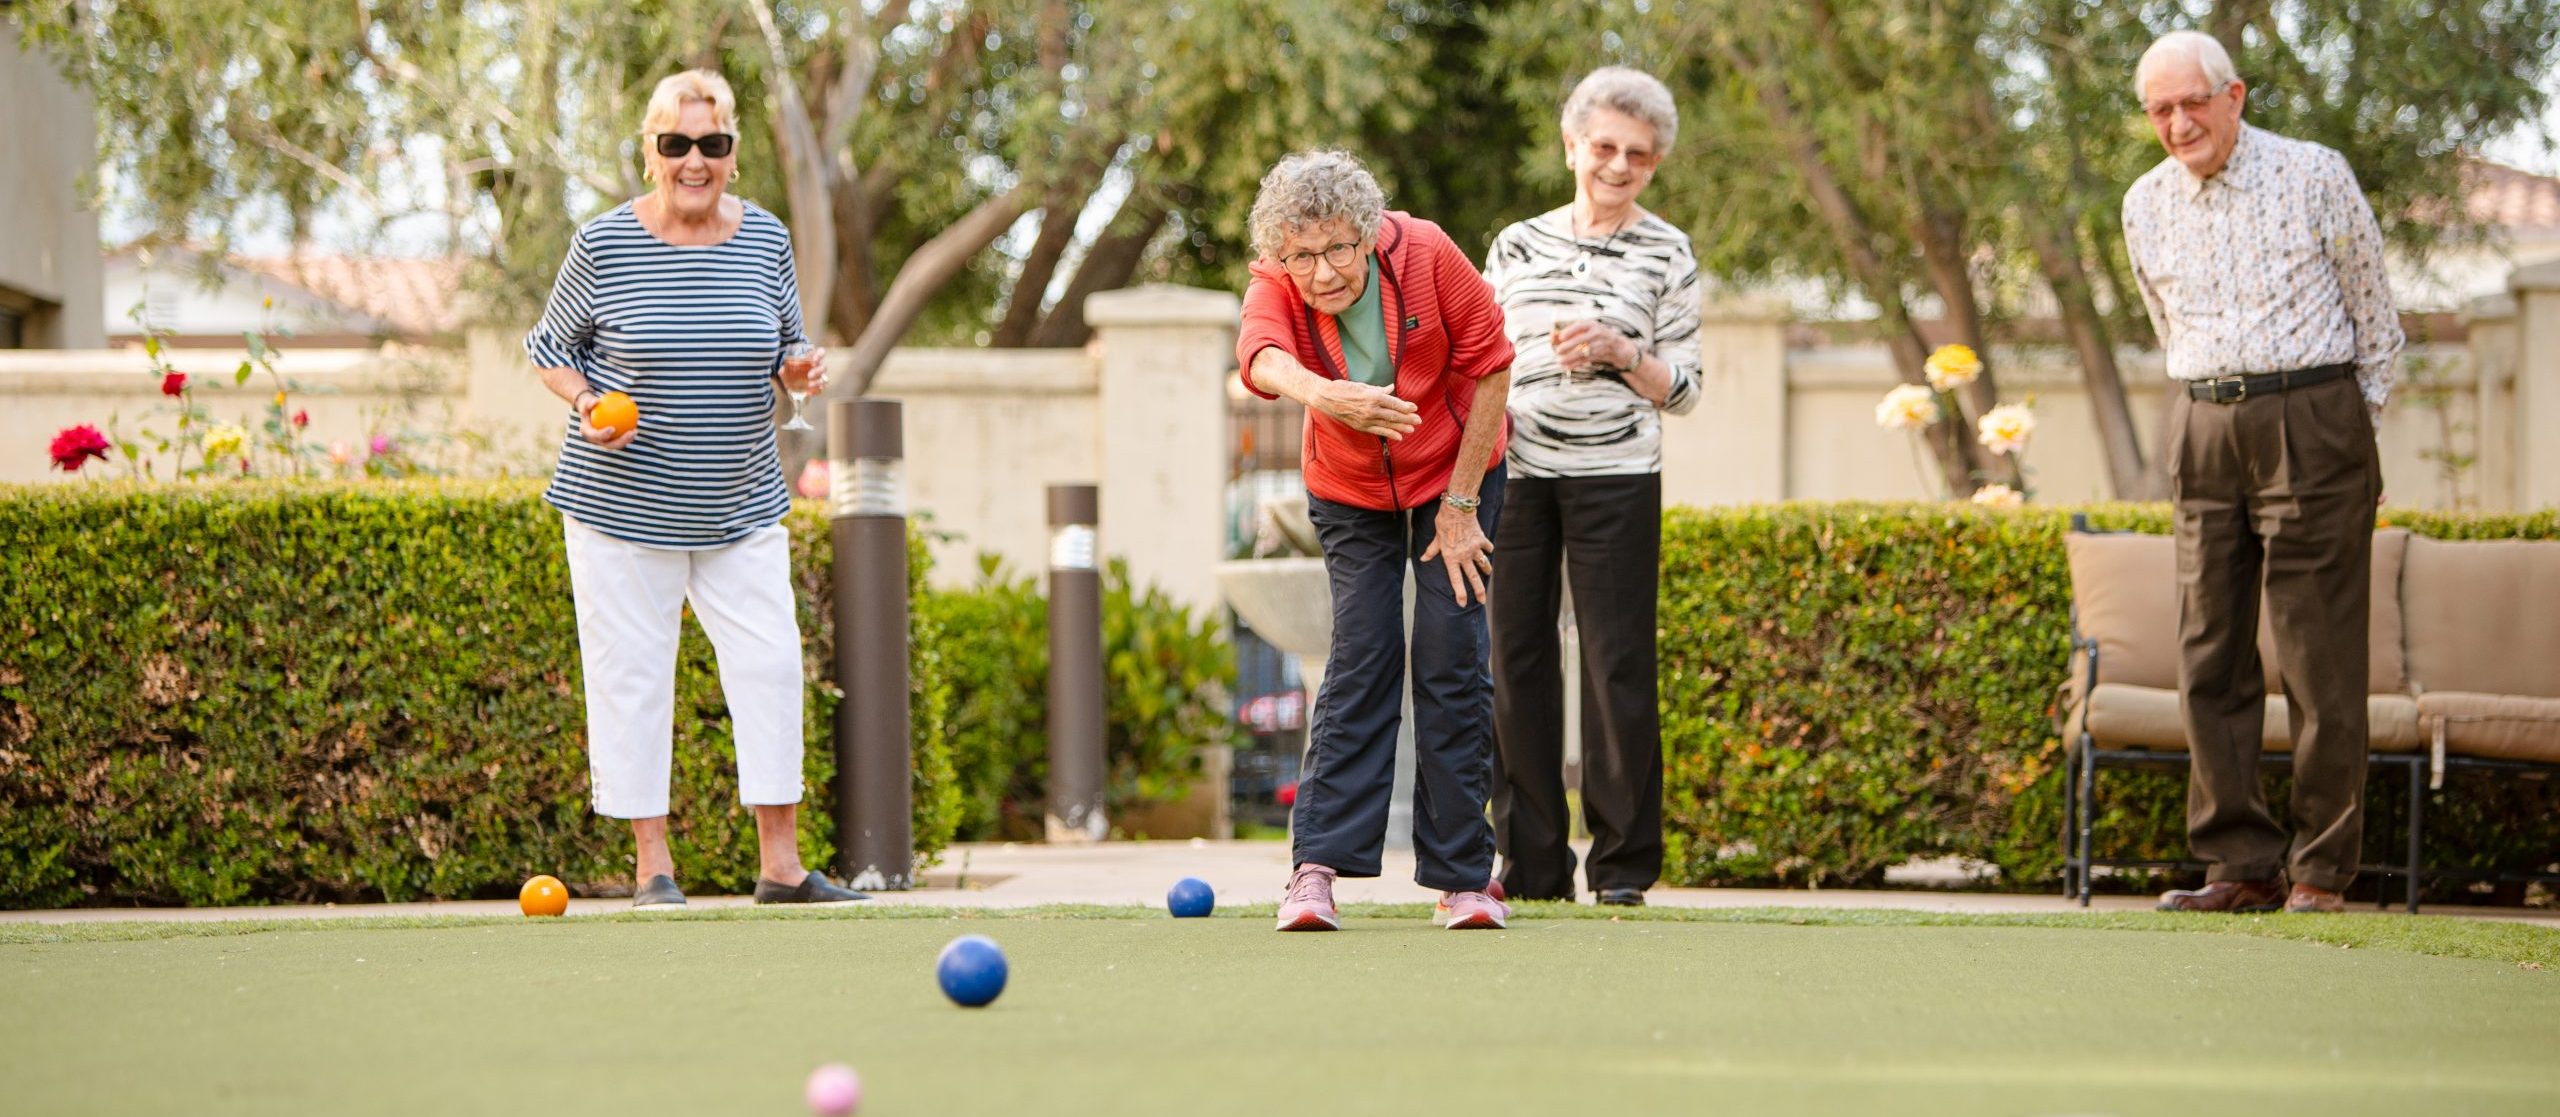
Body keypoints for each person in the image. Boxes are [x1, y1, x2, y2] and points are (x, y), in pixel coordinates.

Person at [524, 69, 868, 910]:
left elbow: (787, 347)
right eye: (676, 143)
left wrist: (798, 368)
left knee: (771, 664)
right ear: (650, 150)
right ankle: (653, 868)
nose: (693, 160)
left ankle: (781, 867)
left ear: (732, 153)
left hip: (741, 497)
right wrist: (584, 406)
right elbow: (546, 348)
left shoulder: (766, 239)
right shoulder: (604, 244)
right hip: (621, 507)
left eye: (711, 144)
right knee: (634, 676)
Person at [2121, 32, 2401, 915]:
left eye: (2191, 103)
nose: (2177, 123)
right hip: (2202, 421)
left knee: (2317, 655)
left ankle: (2321, 869)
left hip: (2313, 417)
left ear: (2234, 94)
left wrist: (2349, 434)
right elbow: (2165, 320)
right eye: (2159, 110)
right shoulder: (2143, 203)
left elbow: (2375, 319)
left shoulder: (2315, 174)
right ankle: (2238, 862)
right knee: (2208, 650)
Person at [1235, 150, 1516, 931]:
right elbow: (1259, 355)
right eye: (1301, 256)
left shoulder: (1425, 251)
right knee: (1362, 652)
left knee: (1451, 653)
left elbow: (1494, 366)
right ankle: (1314, 871)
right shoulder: (1276, 278)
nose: (1321, 272)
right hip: (1350, 485)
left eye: (1336, 249)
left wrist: (1461, 505)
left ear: (1367, 236)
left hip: (1454, 473)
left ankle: (1462, 879)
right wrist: (1327, 396)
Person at [1483, 67, 1701, 908]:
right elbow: (1482, 362)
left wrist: (1621, 351)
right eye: (1604, 146)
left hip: (1619, 475)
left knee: (1616, 667)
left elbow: (1685, 388)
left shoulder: (1668, 251)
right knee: (1516, 663)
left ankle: (1621, 870)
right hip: (1520, 473)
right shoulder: (1516, 244)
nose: (1617, 165)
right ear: (1572, 145)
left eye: (1637, 155)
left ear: (1654, 165)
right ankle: (1533, 867)